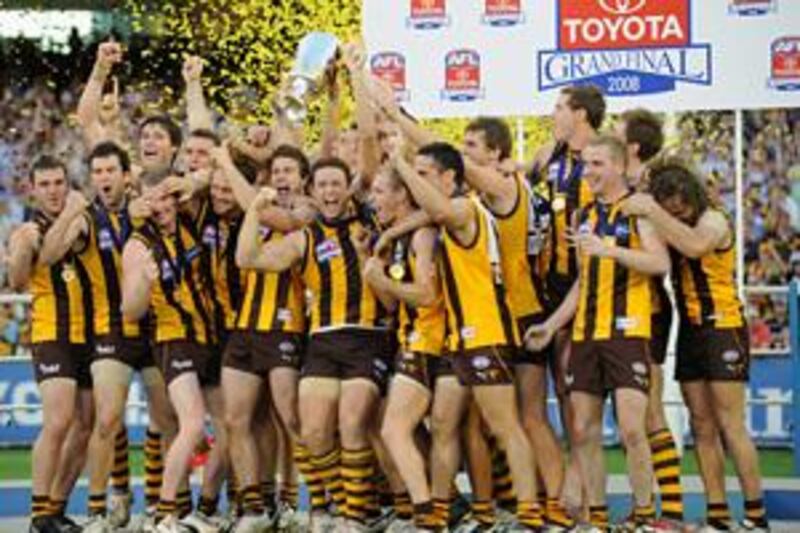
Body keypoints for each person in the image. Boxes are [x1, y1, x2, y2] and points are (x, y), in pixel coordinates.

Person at [392, 142, 545, 530]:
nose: (417, 182)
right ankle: (439, 512)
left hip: (485, 334)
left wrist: (399, 162)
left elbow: (439, 210)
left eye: (425, 174)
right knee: (446, 425)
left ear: (449, 178)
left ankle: (529, 514)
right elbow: (429, 215)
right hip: (459, 339)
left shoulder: (461, 207)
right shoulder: (451, 212)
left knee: (505, 426)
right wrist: (394, 229)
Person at [237, 158, 393, 532]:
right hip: (321, 340)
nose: (329, 191)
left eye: (336, 183)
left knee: (352, 422)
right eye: (322, 184)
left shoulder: (370, 225)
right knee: (313, 432)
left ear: (347, 188)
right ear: (312, 191)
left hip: (367, 336)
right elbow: (248, 258)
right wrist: (255, 211)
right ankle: (347, 507)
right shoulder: (304, 237)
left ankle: (354, 518)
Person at [527, 135, 670, 531]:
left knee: (631, 429)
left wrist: (611, 251)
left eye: (596, 164)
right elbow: (583, 283)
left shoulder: (639, 211)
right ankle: (598, 518)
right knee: (582, 429)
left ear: (620, 166)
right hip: (586, 335)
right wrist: (552, 324)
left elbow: (660, 263)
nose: (587, 172)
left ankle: (644, 516)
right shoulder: (583, 216)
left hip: (628, 334)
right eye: (586, 164)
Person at [621, 159, 770, 532]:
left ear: (691, 197)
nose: (677, 216)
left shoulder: (714, 219)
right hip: (690, 331)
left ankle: (756, 516)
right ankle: (718, 514)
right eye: (670, 209)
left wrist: (654, 210)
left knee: (731, 426)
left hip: (724, 328)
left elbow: (697, 246)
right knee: (701, 426)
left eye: (680, 208)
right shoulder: (673, 220)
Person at [77, 142, 173, 533]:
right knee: (108, 419)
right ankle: (102, 510)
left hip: (153, 328)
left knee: (166, 419)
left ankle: (158, 505)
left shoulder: (150, 210)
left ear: (125, 175)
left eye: (110, 171)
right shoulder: (84, 218)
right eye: (97, 171)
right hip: (110, 330)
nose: (103, 178)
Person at [222, 144, 312, 532]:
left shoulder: (306, 210)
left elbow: (283, 221)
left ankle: (322, 501)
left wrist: (225, 162)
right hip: (245, 328)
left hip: (286, 326)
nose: (282, 177)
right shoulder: (256, 210)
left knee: (291, 419)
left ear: (304, 179)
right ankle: (255, 507)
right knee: (235, 419)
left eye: (290, 170)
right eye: (276, 170)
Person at [121, 180, 214, 533]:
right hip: (172, 338)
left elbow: (207, 177)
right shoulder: (138, 244)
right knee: (191, 422)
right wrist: (144, 281)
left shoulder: (192, 223)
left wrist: (190, 183)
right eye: (151, 198)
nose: (158, 205)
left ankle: (199, 509)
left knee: (229, 427)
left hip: (209, 336)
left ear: (175, 199)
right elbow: (130, 309)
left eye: (164, 197)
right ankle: (164, 514)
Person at [8, 156, 94, 533]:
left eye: (59, 182)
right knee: (58, 421)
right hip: (51, 333)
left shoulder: (79, 218)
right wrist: (22, 250)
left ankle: (55, 509)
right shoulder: (24, 229)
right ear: (33, 189)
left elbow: (56, 250)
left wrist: (69, 216)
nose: (54, 190)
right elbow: (16, 280)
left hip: (89, 334)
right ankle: (39, 514)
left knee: (85, 427)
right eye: (45, 184)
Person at [363, 167, 446, 530]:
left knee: (394, 429)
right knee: (418, 432)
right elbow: (393, 306)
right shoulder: (393, 237)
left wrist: (383, 281)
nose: (373, 199)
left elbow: (428, 295)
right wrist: (375, 275)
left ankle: (426, 514)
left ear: (402, 195)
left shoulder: (422, 234)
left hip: (431, 341)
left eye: (380, 191)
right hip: (410, 340)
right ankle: (444, 505)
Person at [614, 108, 684, 525]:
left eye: (616, 133)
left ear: (633, 146)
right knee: (632, 419)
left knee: (650, 413)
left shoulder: (650, 191)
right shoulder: (625, 186)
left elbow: (662, 259)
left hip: (650, 310)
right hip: (621, 312)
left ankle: (669, 513)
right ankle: (651, 510)